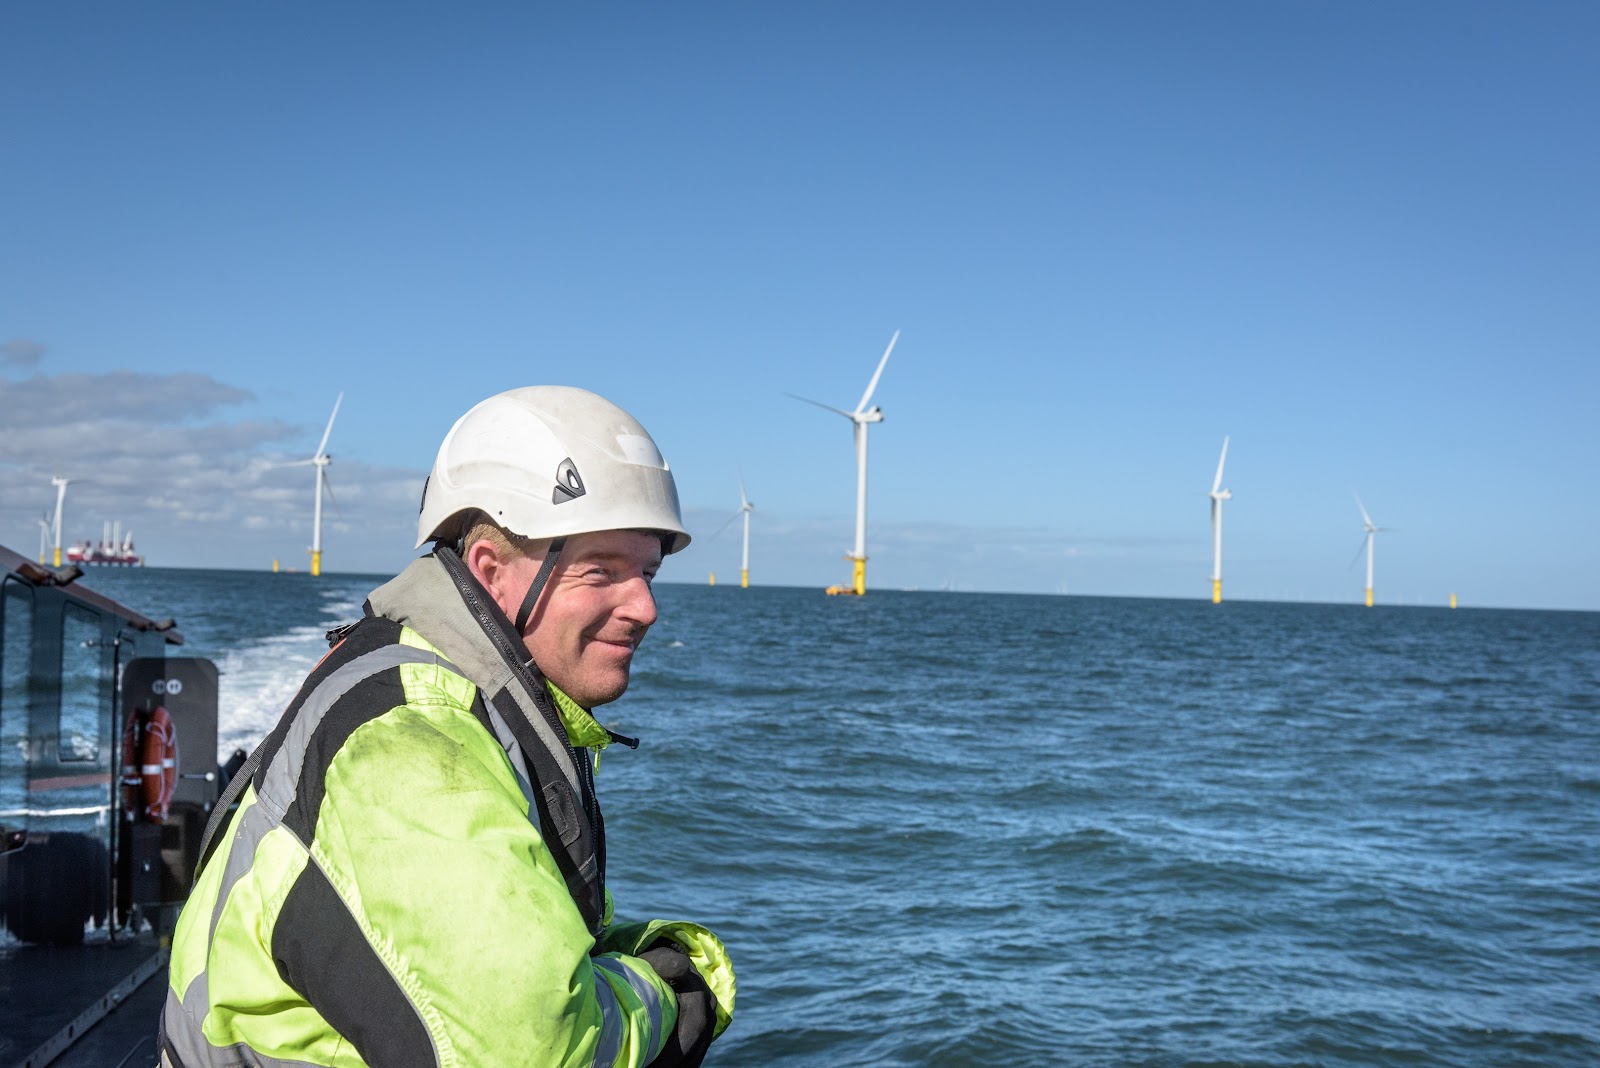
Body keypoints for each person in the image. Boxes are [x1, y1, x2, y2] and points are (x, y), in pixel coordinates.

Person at [160, 386, 734, 1068]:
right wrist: (674, 986)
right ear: (492, 572)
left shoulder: (461, 701)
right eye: (601, 572)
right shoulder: (412, 745)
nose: (645, 607)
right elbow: (538, 1051)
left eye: (647, 572)